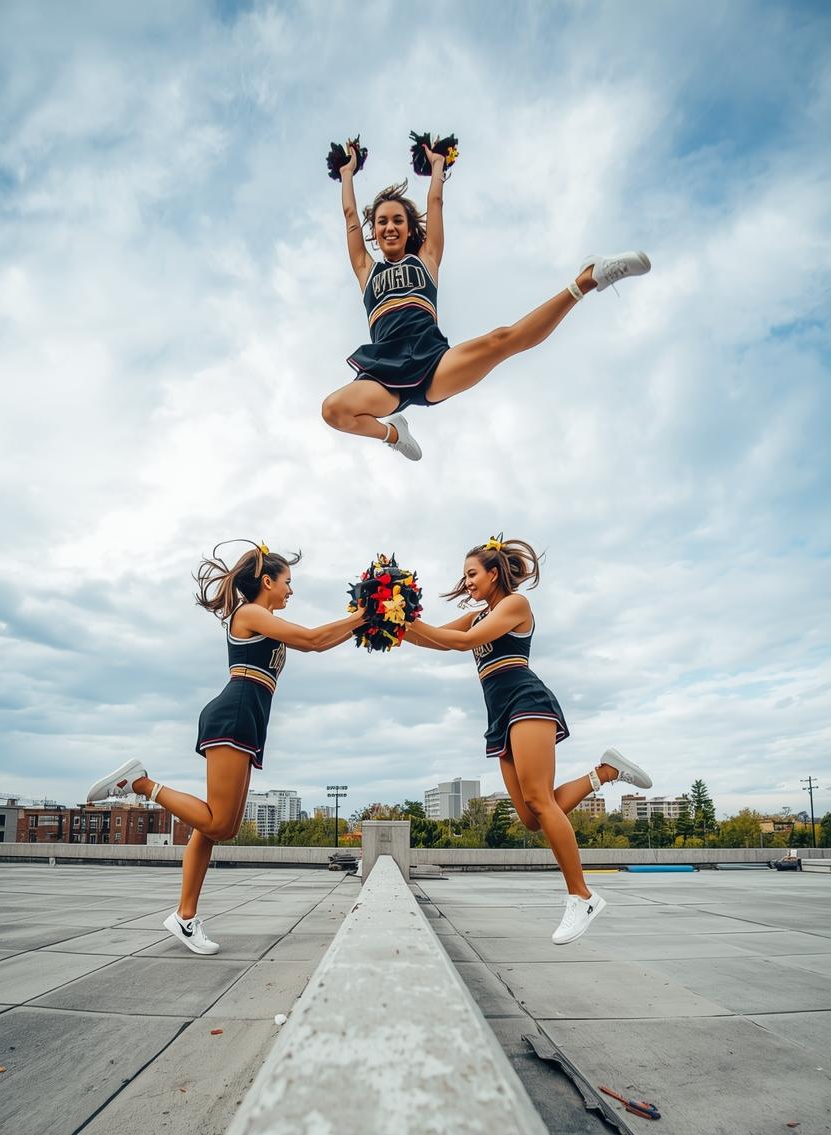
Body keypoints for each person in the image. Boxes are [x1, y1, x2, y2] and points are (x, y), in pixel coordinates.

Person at [87, 543, 363, 954]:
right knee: (217, 824)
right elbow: (312, 641)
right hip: (233, 715)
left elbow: (320, 640)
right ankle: (141, 784)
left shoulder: (263, 617)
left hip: (246, 719)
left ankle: (184, 917)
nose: (291, 590)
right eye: (288, 582)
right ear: (266, 582)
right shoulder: (250, 613)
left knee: (220, 828)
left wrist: (363, 623)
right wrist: (364, 615)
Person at [322, 142, 650, 461]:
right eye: (382, 221)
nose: (390, 226)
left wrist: (438, 165)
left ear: (409, 229)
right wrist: (347, 173)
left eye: (397, 220)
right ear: (374, 231)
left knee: (502, 340)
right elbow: (350, 215)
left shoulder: (427, 259)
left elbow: (434, 202)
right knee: (333, 410)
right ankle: (395, 435)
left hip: (431, 362)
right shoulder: (366, 270)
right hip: (383, 375)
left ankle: (589, 278)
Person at [404, 537, 652, 944]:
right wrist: (388, 619)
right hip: (499, 715)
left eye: (472, 574)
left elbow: (462, 642)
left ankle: (581, 896)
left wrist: (405, 620)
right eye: (464, 576)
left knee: (539, 799)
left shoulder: (514, 605)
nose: (466, 582)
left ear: (494, 572)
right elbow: (431, 638)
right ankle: (606, 772)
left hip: (526, 701)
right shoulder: (479, 615)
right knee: (533, 818)